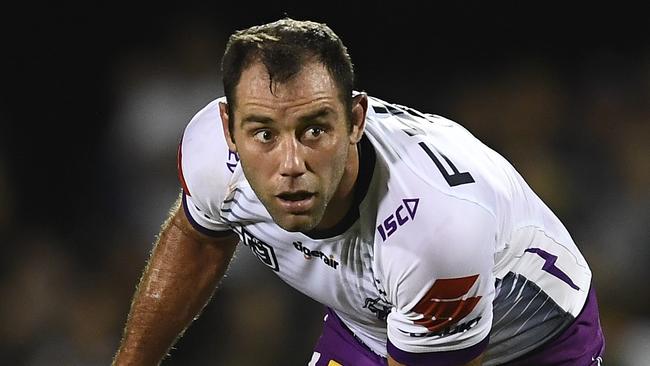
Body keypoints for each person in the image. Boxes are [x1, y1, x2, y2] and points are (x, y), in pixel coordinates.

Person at [112, 18, 605, 366]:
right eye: (263, 133)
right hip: (379, 321)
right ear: (229, 126)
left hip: (532, 338)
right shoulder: (209, 152)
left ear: (355, 120)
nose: (290, 165)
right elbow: (197, 242)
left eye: (313, 130)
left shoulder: (436, 230)